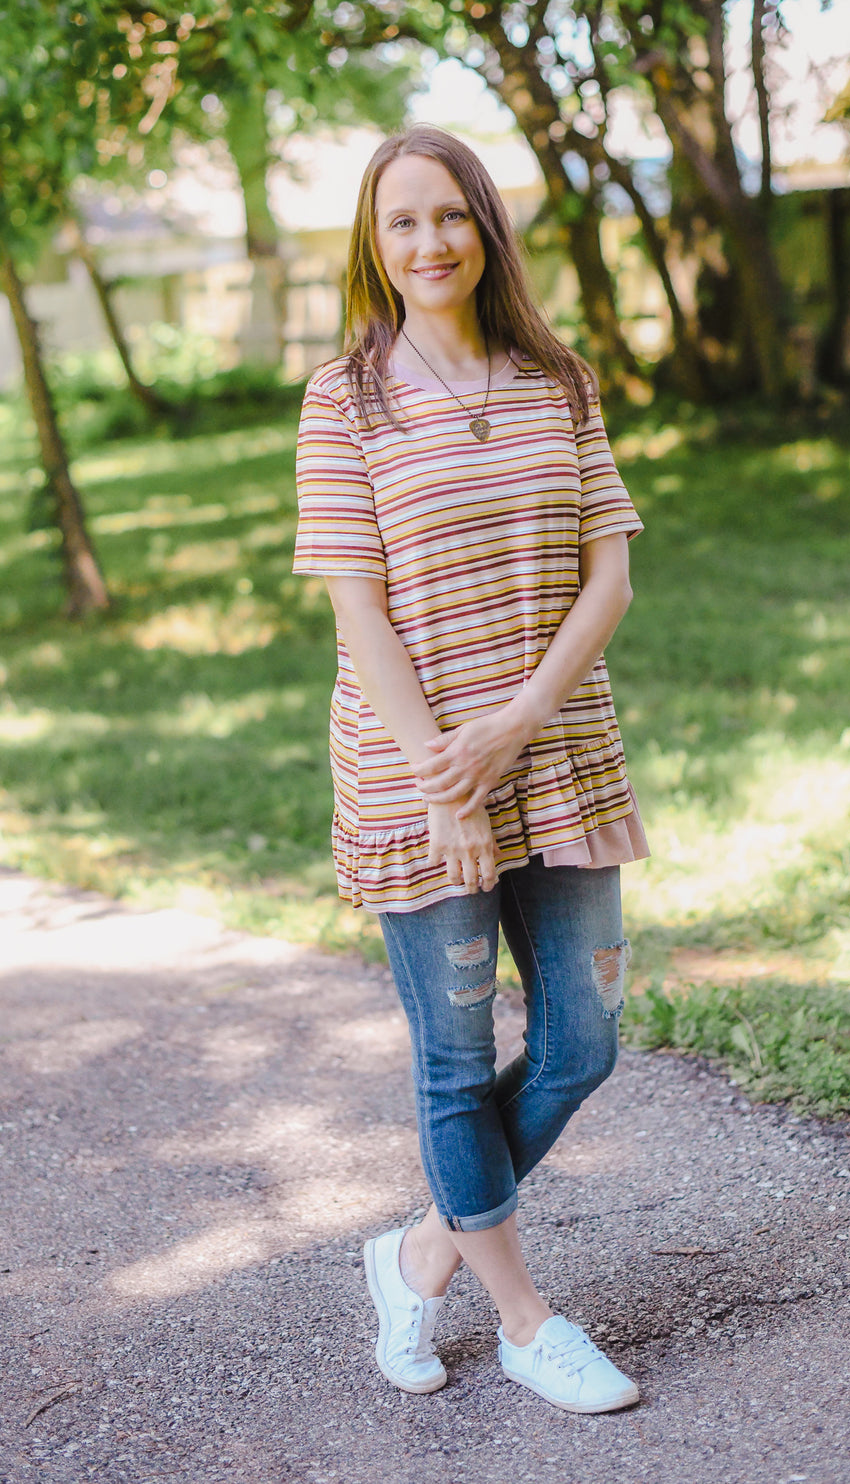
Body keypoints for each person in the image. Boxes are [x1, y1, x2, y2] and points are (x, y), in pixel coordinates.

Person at [292, 125, 649, 1414]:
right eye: (401, 223)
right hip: (415, 774)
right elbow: (356, 608)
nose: (429, 243)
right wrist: (453, 780)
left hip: (557, 755)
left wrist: (517, 723)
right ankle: (524, 1319)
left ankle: (417, 1254)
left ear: (485, 226)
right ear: (372, 247)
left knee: (585, 1040)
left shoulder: (557, 374)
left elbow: (609, 569)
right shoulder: (346, 398)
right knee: (451, 1065)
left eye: (449, 216)